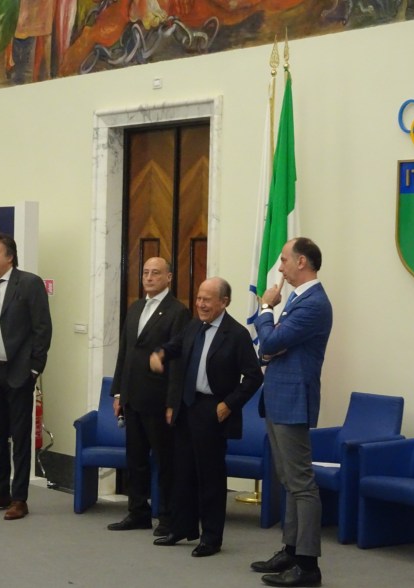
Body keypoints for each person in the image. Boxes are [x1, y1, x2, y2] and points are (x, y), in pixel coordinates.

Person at [150, 277, 262, 557]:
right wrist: (161, 353)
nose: (200, 304)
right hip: (187, 407)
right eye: (199, 298)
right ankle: (182, 527)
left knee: (210, 477)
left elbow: (253, 377)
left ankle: (211, 538)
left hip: (214, 410)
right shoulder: (194, 325)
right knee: (182, 471)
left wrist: (229, 404)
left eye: (207, 300)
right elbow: (176, 345)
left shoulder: (236, 334)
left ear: (224, 302)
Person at [251, 237, 333, 588]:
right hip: (279, 398)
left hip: (293, 400)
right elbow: (270, 349)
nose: (280, 267)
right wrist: (272, 342)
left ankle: (308, 565)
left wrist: (265, 308)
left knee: (301, 484)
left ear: (302, 262)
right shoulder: (299, 299)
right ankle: (290, 549)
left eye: (284, 260)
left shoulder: (314, 302)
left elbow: (270, 342)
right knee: (288, 480)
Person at [0, 232, 52, 520]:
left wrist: (34, 368)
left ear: (10, 256)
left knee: (20, 437)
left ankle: (19, 498)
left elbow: (42, 328)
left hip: (19, 372)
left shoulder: (29, 283)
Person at [108, 257, 190, 536]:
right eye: (145, 272)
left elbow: (178, 362)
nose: (149, 277)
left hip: (158, 399)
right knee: (136, 459)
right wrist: (118, 392)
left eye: (156, 273)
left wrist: (172, 402)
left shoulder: (178, 312)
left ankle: (167, 516)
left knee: (165, 462)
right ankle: (138, 512)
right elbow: (125, 353)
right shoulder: (135, 308)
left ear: (169, 277)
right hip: (132, 397)